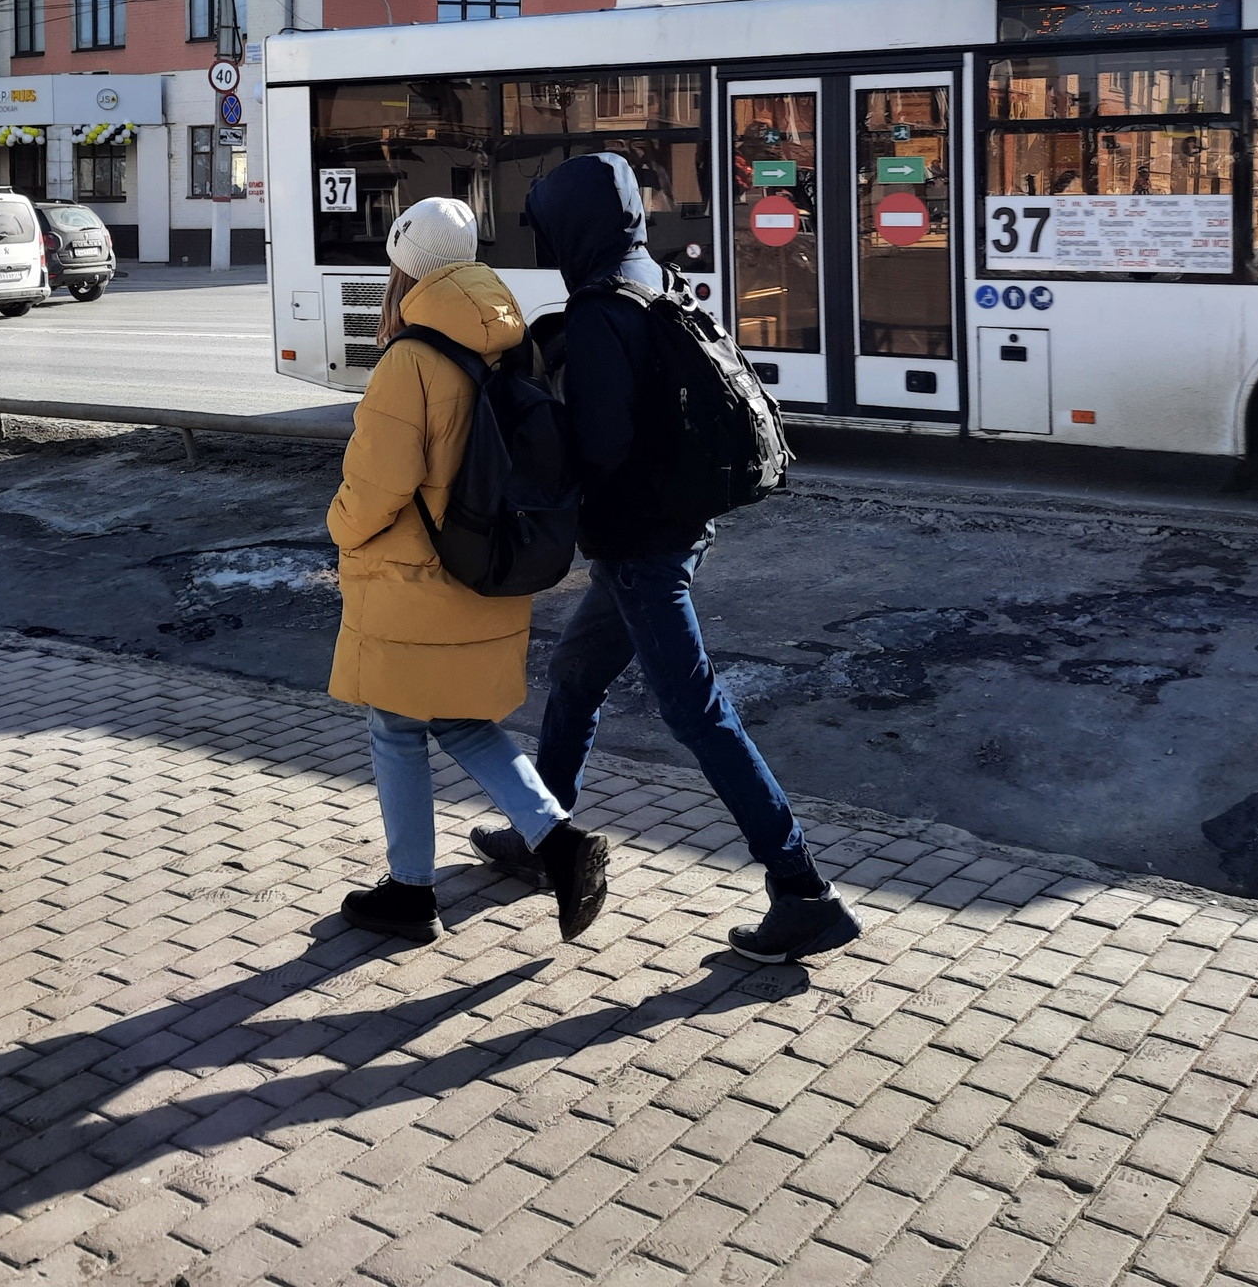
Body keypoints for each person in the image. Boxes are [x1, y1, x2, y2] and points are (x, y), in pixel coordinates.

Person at [472, 153, 860, 966]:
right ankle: (543, 831)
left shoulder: (596, 310)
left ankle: (803, 891)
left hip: (644, 543)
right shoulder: (649, 276)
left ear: (574, 226)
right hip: (666, 528)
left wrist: (536, 430)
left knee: (698, 714)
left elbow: (604, 446)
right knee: (577, 677)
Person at [327, 197, 609, 946]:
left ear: (405, 269)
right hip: (488, 566)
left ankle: (411, 894)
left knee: (393, 725)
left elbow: (378, 487)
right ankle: (560, 841)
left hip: (412, 580)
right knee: (458, 718)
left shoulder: (411, 360)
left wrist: (339, 529)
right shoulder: (511, 339)